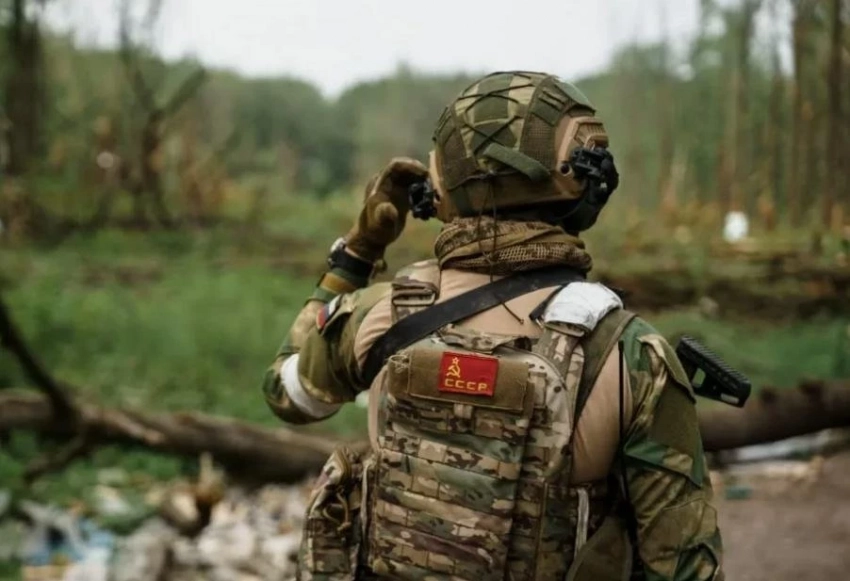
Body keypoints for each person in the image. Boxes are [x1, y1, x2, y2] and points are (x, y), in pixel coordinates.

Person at [261, 71, 724, 581]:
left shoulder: (382, 313)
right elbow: (685, 569)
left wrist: (359, 250)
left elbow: (287, 394)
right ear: (582, 179)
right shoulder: (629, 354)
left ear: (441, 184)